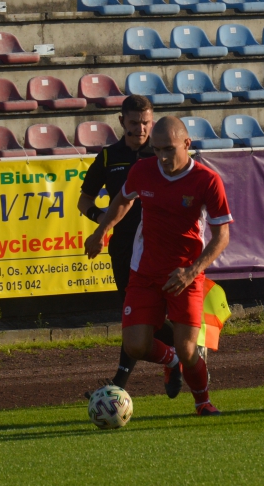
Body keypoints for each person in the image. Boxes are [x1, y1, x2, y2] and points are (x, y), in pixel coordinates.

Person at [84, 116, 232, 416]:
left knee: (190, 350)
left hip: (185, 276)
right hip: (144, 271)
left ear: (187, 144)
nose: (162, 157)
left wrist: (191, 271)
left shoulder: (207, 180)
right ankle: (171, 360)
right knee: (136, 345)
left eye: (169, 149)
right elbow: (123, 201)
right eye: (157, 149)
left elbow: (222, 237)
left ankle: (202, 401)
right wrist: (100, 232)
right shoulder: (143, 170)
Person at [78, 96, 180, 399]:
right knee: (136, 315)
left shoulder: (161, 154)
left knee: (140, 317)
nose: (141, 128)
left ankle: (121, 385)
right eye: (134, 123)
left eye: (146, 122)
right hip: (123, 248)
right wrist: (106, 223)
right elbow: (83, 202)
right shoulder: (110, 157)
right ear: (122, 121)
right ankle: (185, 354)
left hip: (159, 247)